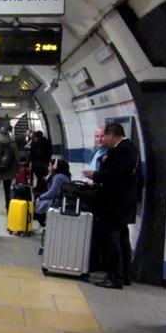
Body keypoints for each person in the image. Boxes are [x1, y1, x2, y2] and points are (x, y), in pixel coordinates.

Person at [83, 122, 139, 289]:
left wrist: (96, 174)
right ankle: (125, 274)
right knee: (122, 239)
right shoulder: (130, 149)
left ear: (113, 135)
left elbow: (115, 175)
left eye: (105, 137)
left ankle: (114, 277)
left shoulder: (122, 150)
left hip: (115, 204)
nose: (104, 141)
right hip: (123, 204)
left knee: (112, 240)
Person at [33, 158, 71, 228]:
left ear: (55, 167)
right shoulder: (60, 176)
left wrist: (40, 197)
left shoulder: (58, 177)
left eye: (50, 166)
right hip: (57, 198)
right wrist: (49, 174)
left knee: (34, 204)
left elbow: (52, 192)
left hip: (56, 201)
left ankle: (44, 225)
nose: (48, 167)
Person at [29, 130, 52, 194]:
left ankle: (39, 188)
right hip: (45, 163)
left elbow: (32, 151)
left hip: (37, 163)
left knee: (39, 177)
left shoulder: (35, 143)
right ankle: (43, 188)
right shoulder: (47, 142)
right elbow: (50, 152)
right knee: (43, 176)